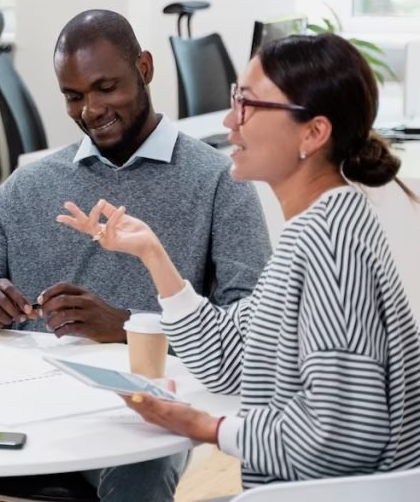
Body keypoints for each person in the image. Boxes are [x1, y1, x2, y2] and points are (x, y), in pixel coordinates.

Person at [0, 9, 272, 501]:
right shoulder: (32, 184)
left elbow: (251, 333)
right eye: (73, 96)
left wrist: (126, 327)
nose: (90, 110)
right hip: (26, 405)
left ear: (145, 68)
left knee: (138, 471)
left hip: (142, 412)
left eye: (107, 88)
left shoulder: (218, 183)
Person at [58, 33, 420, 491]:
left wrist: (206, 428)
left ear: (313, 132)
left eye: (248, 105)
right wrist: (154, 255)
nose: (230, 122)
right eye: (235, 100)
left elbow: (343, 435)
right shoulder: (317, 229)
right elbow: (229, 358)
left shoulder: (328, 245)